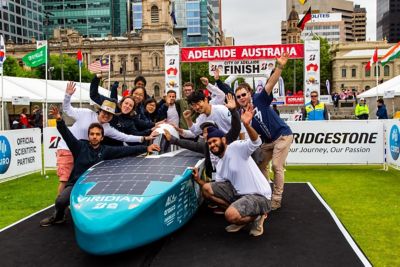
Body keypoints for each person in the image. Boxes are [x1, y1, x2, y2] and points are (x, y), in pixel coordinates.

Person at [40, 105, 160, 227]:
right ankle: (58, 217)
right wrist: (59, 120)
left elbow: (126, 150)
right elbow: (66, 134)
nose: (94, 136)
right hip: (77, 183)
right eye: (92, 134)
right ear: (88, 136)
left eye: (98, 134)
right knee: (60, 201)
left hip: (97, 186)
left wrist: (146, 147)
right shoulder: (79, 146)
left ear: (102, 137)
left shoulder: (106, 150)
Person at [56, 81, 155, 195]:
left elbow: (125, 137)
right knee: (65, 179)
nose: (106, 115)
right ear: (100, 110)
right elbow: (68, 109)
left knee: (79, 180)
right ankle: (59, 206)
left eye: (109, 114)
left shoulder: (107, 128)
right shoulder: (86, 113)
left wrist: (144, 138)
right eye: (104, 112)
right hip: (67, 148)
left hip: (83, 153)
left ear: (112, 116)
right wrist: (68, 96)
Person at [191, 105, 271, 236]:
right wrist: (198, 180)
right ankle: (241, 215)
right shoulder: (220, 164)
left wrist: (246, 124)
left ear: (223, 139)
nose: (212, 145)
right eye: (209, 143)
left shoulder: (235, 147)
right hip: (240, 195)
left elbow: (256, 142)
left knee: (230, 215)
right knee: (206, 189)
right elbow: (216, 188)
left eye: (214, 141)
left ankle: (257, 217)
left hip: (259, 196)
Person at [234, 52, 293, 210]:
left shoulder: (259, 99)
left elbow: (270, 83)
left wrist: (279, 66)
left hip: (282, 135)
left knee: (277, 166)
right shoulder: (241, 115)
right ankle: (266, 192)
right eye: (238, 96)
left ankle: (276, 198)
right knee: (260, 165)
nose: (241, 97)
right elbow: (248, 134)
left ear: (249, 94)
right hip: (267, 142)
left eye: (244, 94)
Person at [164, 94, 240, 179]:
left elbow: (237, 128)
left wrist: (241, 147)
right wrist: (187, 121)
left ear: (206, 100)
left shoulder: (221, 110)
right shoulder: (201, 118)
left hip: (231, 147)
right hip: (217, 154)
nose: (197, 107)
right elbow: (195, 132)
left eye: (198, 103)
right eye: (193, 105)